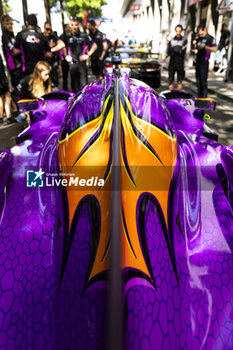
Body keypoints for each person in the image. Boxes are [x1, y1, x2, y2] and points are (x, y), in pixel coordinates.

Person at [56, 17, 97, 93]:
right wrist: (65, 56)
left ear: (78, 25)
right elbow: (60, 44)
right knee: (74, 88)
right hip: (72, 65)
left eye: (76, 25)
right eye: (72, 25)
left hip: (82, 64)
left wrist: (87, 55)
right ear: (70, 25)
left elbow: (94, 45)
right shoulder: (66, 36)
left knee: (84, 87)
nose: (74, 27)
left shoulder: (84, 35)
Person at [193, 25, 217, 98]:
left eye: (202, 34)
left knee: (203, 81)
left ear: (205, 30)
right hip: (198, 61)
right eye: (199, 34)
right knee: (198, 81)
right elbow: (197, 47)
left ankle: (204, 98)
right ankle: (199, 97)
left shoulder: (210, 38)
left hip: (204, 61)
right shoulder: (199, 38)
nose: (201, 35)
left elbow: (215, 49)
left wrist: (205, 47)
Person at [1, 14, 22, 88]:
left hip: (19, 65)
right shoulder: (5, 36)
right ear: (3, 25)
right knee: (18, 89)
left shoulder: (12, 35)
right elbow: (14, 51)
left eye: (11, 24)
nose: (10, 26)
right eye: (7, 24)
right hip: (14, 67)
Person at [167, 24, 187, 91]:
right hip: (172, 62)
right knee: (171, 80)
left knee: (179, 81)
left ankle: (179, 98)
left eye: (180, 31)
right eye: (177, 31)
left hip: (180, 62)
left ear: (181, 31)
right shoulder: (171, 40)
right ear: (175, 31)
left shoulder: (184, 40)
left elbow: (183, 52)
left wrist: (176, 50)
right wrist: (179, 50)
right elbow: (169, 52)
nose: (178, 33)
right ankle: (170, 97)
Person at [43, 21, 62, 87]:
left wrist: (51, 50)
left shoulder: (53, 37)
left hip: (53, 65)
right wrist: (47, 51)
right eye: (47, 29)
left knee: (55, 85)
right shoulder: (40, 37)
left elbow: (62, 44)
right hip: (44, 66)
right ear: (44, 28)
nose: (48, 31)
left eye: (50, 30)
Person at [0, 54, 14, 124]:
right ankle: (9, 116)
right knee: (7, 96)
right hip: (2, 79)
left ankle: (1, 117)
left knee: (1, 98)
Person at [59, 23, 71, 90]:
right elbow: (63, 47)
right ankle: (65, 88)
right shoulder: (62, 36)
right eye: (68, 27)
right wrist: (65, 56)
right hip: (64, 59)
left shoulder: (71, 35)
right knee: (65, 76)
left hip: (71, 58)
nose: (69, 29)